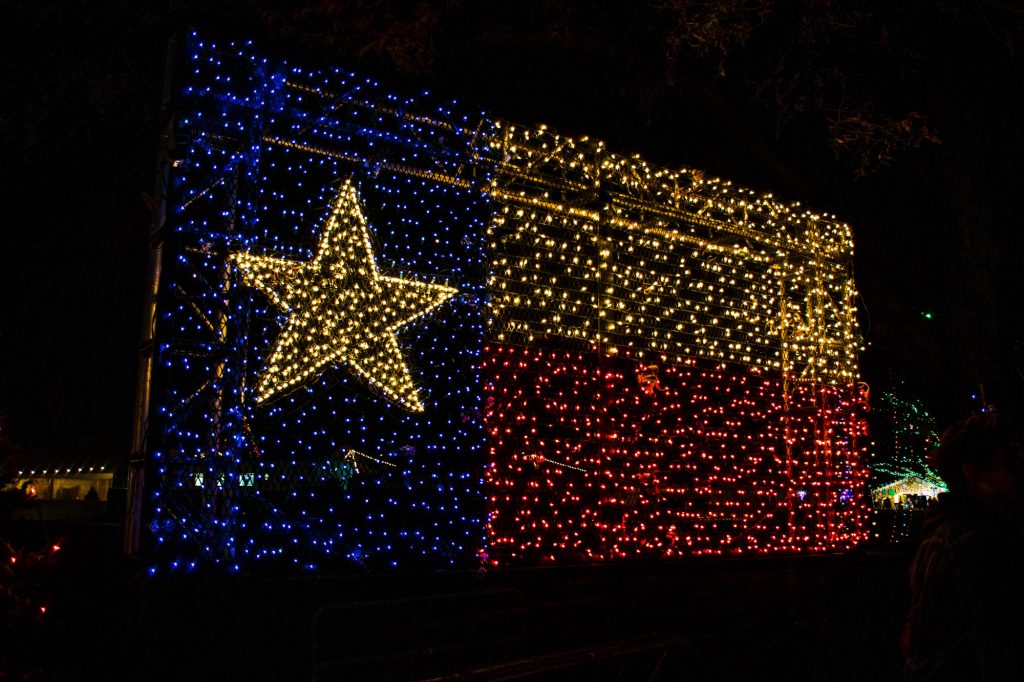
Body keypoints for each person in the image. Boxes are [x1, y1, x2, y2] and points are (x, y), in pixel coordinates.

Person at [903, 410, 1024, 681]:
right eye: (1007, 464)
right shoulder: (973, 543)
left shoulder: (949, 534)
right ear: (973, 473)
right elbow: (999, 647)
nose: (1018, 474)